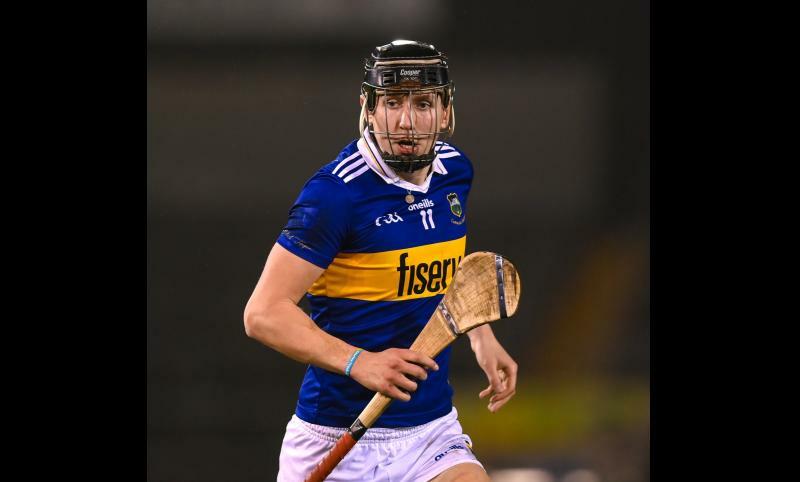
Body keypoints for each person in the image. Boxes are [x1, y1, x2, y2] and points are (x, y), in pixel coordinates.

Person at [244, 39, 518, 482]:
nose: (406, 121)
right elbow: (262, 314)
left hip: (430, 432)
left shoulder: (455, 173)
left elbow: (442, 261)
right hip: (337, 436)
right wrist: (361, 362)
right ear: (368, 109)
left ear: (445, 112)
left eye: (423, 103)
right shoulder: (334, 195)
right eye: (392, 102)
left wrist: (479, 333)